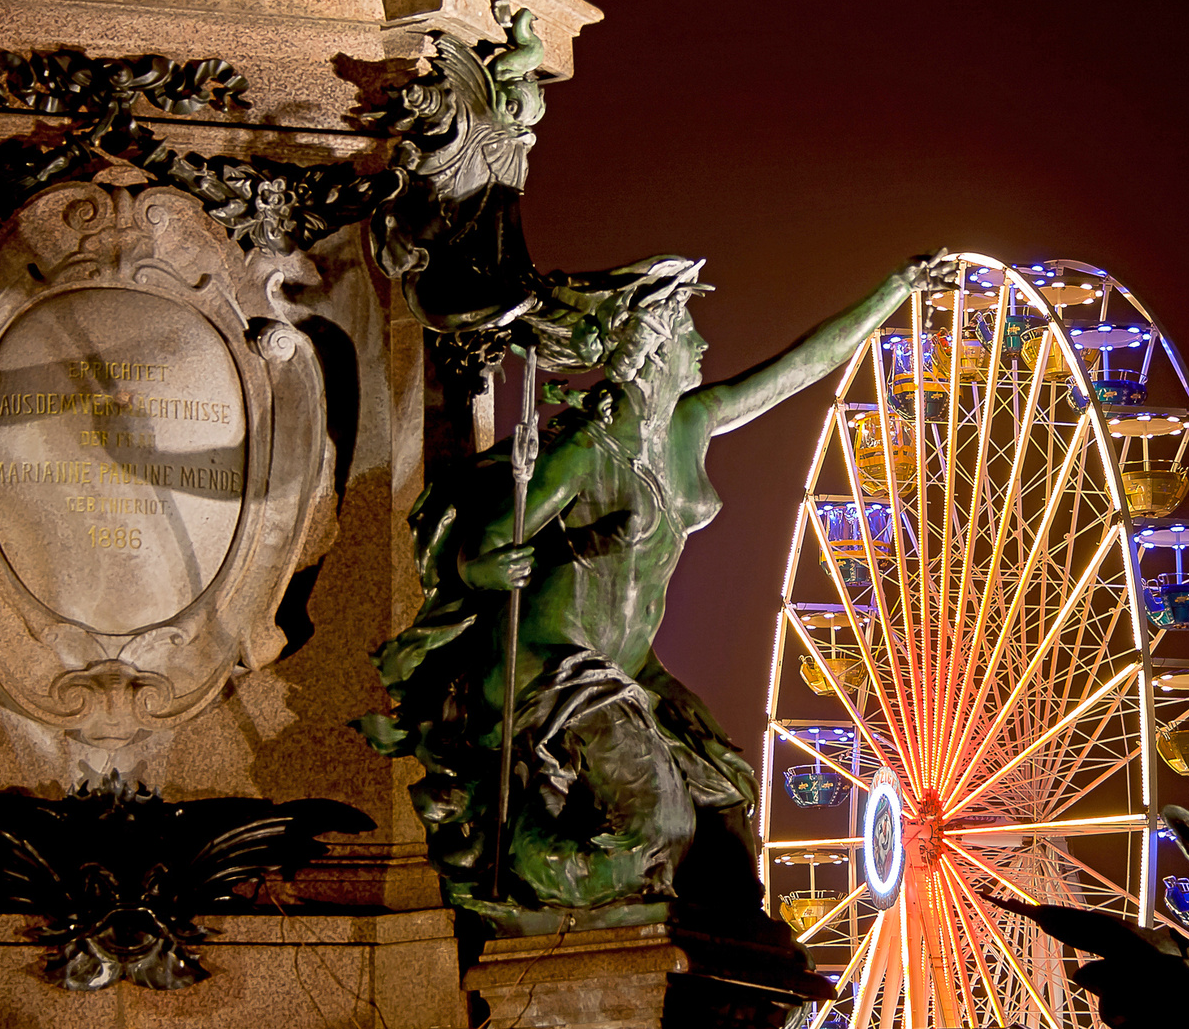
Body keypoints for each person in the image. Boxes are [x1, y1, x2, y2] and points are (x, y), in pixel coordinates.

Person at [361, 251, 952, 916]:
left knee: (730, 808)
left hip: (632, 667)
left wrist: (893, 290)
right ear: (646, 352)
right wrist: (492, 566)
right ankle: (506, 857)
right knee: (658, 832)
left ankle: (701, 949)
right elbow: (487, 546)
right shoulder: (585, 448)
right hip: (552, 667)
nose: (701, 345)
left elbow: (796, 371)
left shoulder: (689, 424)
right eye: (685, 335)